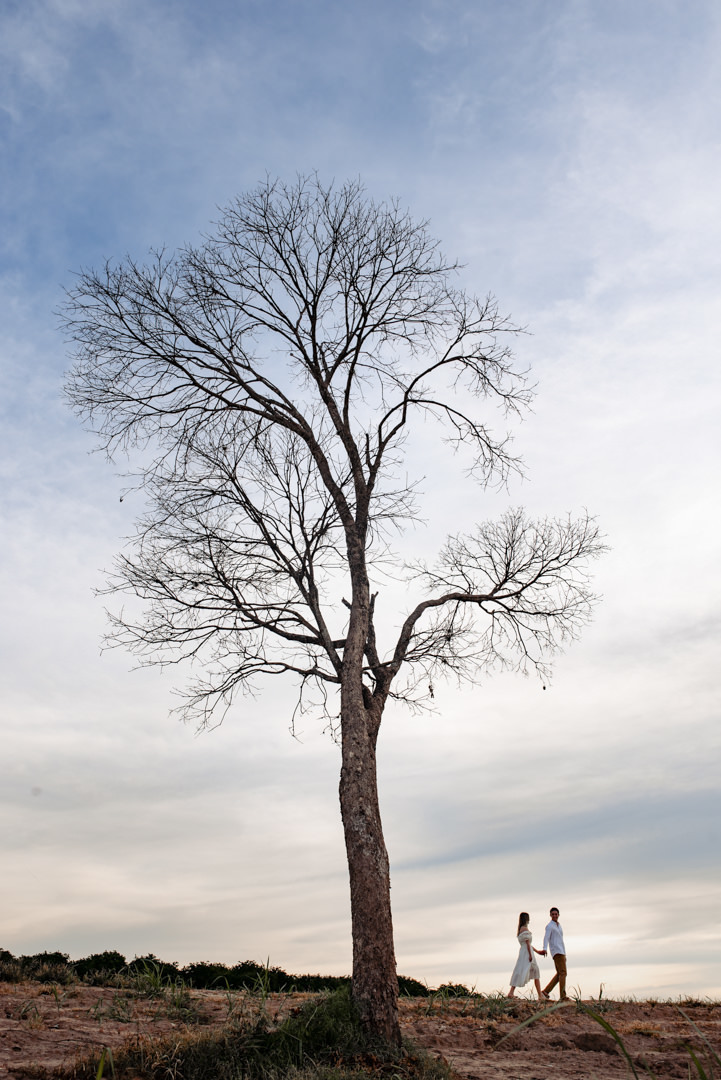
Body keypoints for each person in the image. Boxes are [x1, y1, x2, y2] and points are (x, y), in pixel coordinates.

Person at [508, 912, 545, 1001]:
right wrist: (530, 954)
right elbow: (528, 943)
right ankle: (540, 995)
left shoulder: (520, 929)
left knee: (521, 970)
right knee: (534, 970)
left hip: (525, 951)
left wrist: (537, 951)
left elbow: (528, 944)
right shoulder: (524, 929)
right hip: (527, 952)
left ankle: (511, 992)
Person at [542, 906, 568, 1000]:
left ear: (558, 915)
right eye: (552, 914)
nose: (554, 915)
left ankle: (545, 991)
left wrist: (565, 954)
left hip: (561, 951)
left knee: (559, 974)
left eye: (556, 914)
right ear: (550, 915)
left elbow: (561, 940)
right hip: (556, 951)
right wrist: (544, 948)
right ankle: (563, 996)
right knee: (563, 973)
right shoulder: (549, 926)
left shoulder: (559, 925)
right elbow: (546, 938)